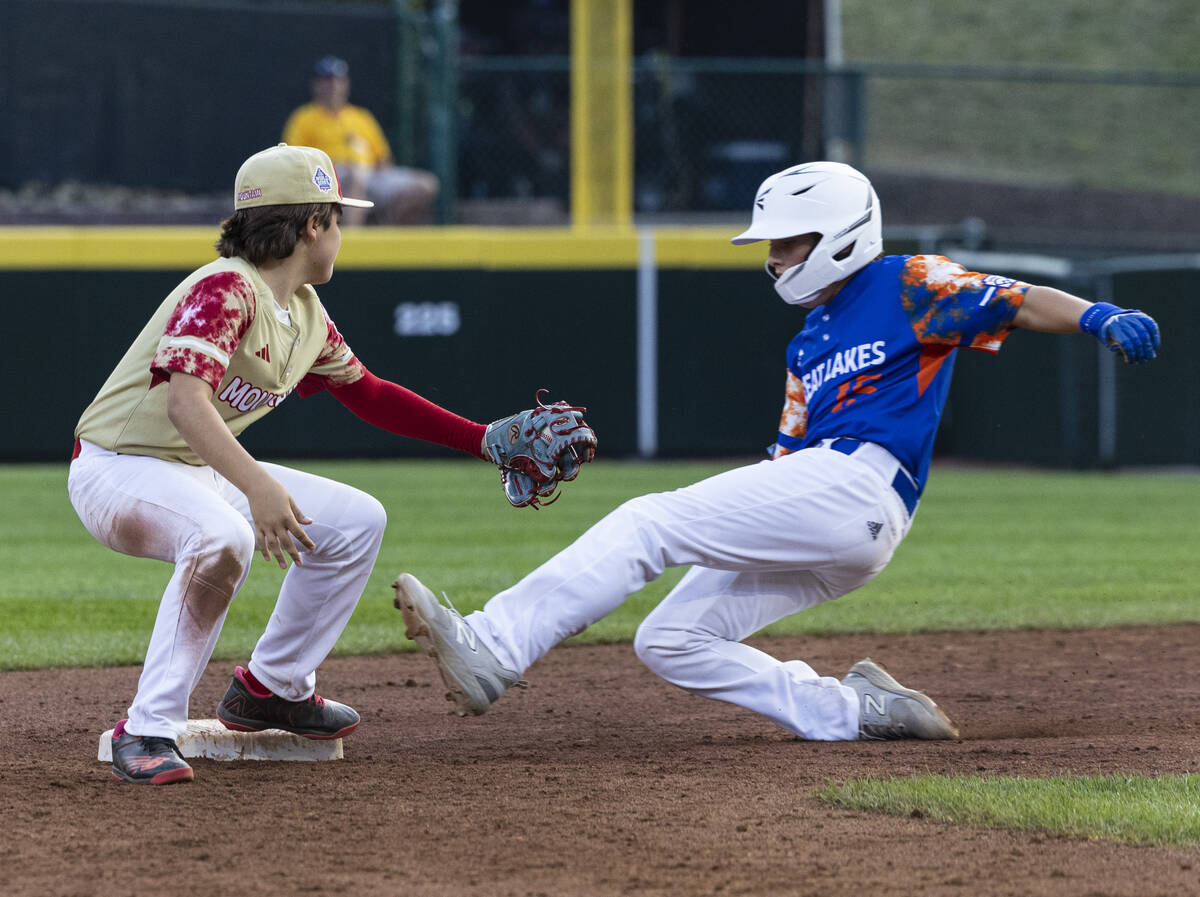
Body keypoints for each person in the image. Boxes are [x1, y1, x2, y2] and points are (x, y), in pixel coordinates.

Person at [395, 161, 1161, 743]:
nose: (773, 258)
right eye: (771, 244)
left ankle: (494, 644)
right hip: (822, 501)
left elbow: (1015, 298)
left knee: (644, 522)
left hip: (863, 488)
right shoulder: (807, 343)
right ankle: (854, 709)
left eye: (788, 241)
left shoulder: (907, 281)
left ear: (841, 235)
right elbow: (786, 458)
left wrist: (1096, 313)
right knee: (669, 639)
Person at [69, 144, 540, 784]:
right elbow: (186, 404)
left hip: (189, 470)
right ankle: (147, 728)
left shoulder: (305, 314)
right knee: (222, 536)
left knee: (354, 522)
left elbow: (369, 394)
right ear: (312, 225)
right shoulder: (225, 288)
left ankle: (272, 688)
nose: (343, 233)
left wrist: (481, 440)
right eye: (337, 219)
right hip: (116, 469)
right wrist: (257, 486)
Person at [282, 55, 438, 226]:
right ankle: (352, 243)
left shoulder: (361, 117)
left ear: (345, 85)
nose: (333, 86)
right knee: (354, 176)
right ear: (316, 85)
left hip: (369, 174)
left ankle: (386, 234)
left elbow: (383, 159)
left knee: (426, 184)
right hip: (329, 176)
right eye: (327, 80)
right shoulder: (304, 118)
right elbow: (295, 159)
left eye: (337, 80)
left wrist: (379, 167)